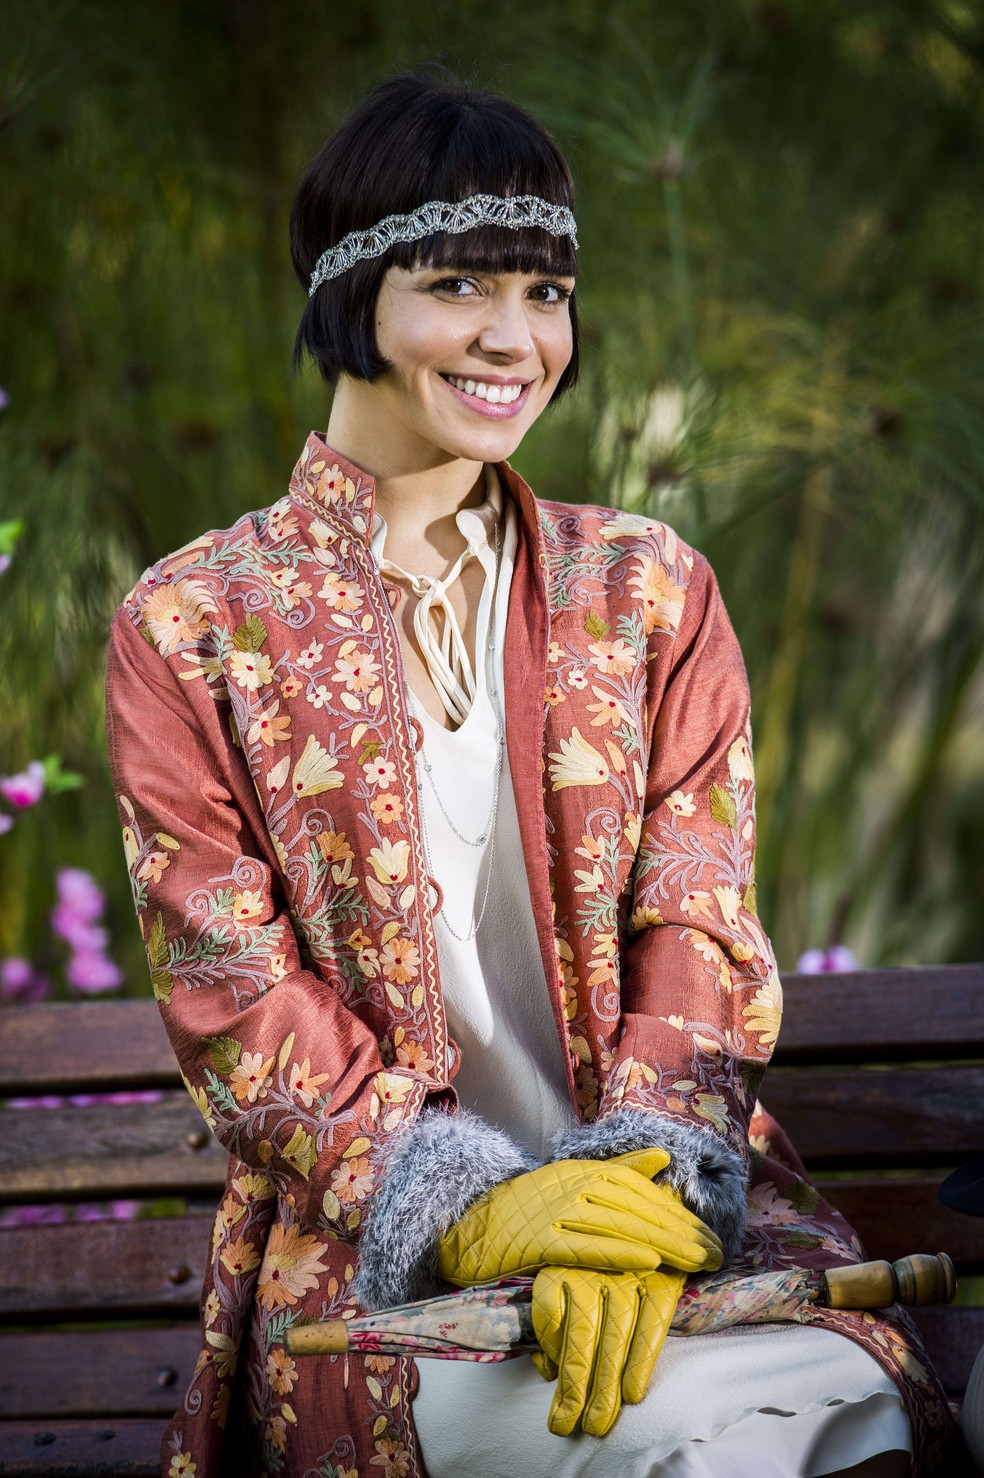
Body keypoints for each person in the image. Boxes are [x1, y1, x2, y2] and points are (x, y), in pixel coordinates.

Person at [105, 71, 954, 1478]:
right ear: (348, 289)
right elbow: (233, 995)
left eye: (547, 293)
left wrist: (633, 1194)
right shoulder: (197, 623)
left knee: (847, 1398)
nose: (516, 340)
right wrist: (472, 1207)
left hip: (678, 1241)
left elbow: (701, 925)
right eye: (459, 285)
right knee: (715, 1444)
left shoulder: (651, 591)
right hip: (383, 1279)